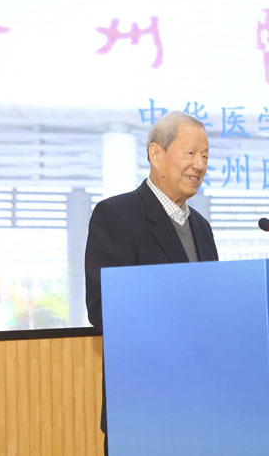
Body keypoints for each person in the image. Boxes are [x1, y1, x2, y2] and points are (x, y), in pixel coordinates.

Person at [84, 111, 219, 455]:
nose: (200, 165)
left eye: (205, 156)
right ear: (157, 154)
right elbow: (103, 309)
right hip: (142, 407)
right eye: (191, 153)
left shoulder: (202, 228)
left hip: (201, 407)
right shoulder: (116, 215)